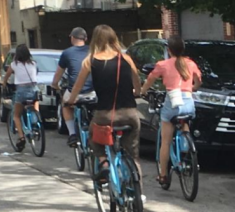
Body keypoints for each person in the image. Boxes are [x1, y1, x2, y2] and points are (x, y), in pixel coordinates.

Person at [67, 25, 142, 183]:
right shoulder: (126, 58)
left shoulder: (90, 61)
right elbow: (137, 82)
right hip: (130, 114)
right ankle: (138, 195)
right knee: (133, 156)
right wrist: (137, 92)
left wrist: (70, 100)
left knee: (93, 137)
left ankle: (103, 162)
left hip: (105, 115)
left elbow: (77, 86)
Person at [140, 35, 202, 187]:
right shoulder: (190, 63)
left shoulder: (163, 64)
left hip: (172, 102)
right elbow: (198, 81)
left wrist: (142, 91)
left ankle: (162, 175)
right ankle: (187, 152)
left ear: (168, 50)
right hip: (188, 102)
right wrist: (192, 88)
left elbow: (150, 79)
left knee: (165, 141)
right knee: (185, 122)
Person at [51, 27, 95, 147]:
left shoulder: (67, 53)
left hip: (75, 92)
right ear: (85, 39)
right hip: (93, 91)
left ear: (72, 38)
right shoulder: (93, 51)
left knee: (65, 105)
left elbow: (58, 74)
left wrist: (55, 85)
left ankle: (72, 134)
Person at [1, 44, 40, 152]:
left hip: (21, 91)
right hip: (34, 89)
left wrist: (4, 83)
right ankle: (36, 121)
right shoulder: (34, 63)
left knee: (16, 115)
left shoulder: (14, 64)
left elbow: (7, 75)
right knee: (35, 102)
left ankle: (21, 137)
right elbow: (36, 73)